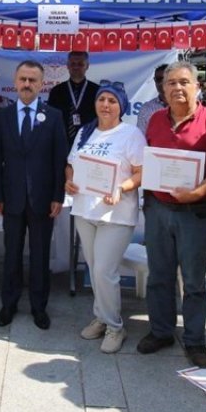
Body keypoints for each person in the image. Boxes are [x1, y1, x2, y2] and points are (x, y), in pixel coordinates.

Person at [140, 61, 206, 369]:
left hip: (195, 212)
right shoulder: (154, 120)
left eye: (184, 82)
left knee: (193, 281)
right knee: (159, 275)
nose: (177, 88)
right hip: (158, 209)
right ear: (163, 88)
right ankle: (161, 331)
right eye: (171, 83)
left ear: (197, 86)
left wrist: (197, 192)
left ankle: (194, 340)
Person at [66, 82, 144, 353]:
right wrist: (69, 181)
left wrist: (121, 188)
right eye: (102, 100)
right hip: (85, 210)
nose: (106, 105)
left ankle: (115, 326)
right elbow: (70, 164)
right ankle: (101, 317)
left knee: (103, 271)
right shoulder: (85, 131)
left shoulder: (130, 134)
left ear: (121, 106)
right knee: (95, 267)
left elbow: (141, 172)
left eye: (112, 100)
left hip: (116, 214)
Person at [0, 61, 67, 329]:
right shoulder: (3, 117)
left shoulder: (54, 116)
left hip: (43, 200)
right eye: (22, 78)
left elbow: (60, 160)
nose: (26, 84)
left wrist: (58, 195)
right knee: (11, 254)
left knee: (40, 255)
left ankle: (38, 307)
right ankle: (8, 304)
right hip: (11, 198)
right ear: (15, 79)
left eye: (32, 80)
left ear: (41, 84)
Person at [47, 50, 100, 143]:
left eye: (80, 64)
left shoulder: (97, 91)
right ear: (67, 66)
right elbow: (51, 118)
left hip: (89, 141)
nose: (76, 67)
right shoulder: (56, 91)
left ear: (87, 66)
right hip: (61, 141)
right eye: (73, 64)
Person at [135, 63, 168, 134]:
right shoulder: (146, 109)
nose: (161, 83)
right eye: (158, 79)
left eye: (165, 78)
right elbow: (141, 137)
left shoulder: (183, 105)